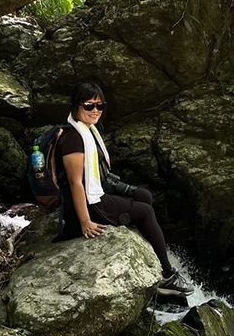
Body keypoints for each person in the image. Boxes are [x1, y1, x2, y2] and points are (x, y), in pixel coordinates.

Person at [55, 82, 194, 296]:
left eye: (100, 106)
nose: (95, 111)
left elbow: (100, 174)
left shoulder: (87, 130)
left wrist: (124, 189)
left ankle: (149, 251)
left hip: (99, 190)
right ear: (76, 106)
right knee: (146, 211)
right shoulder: (73, 139)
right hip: (90, 206)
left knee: (144, 196)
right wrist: (85, 223)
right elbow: (76, 183)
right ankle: (167, 273)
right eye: (89, 106)